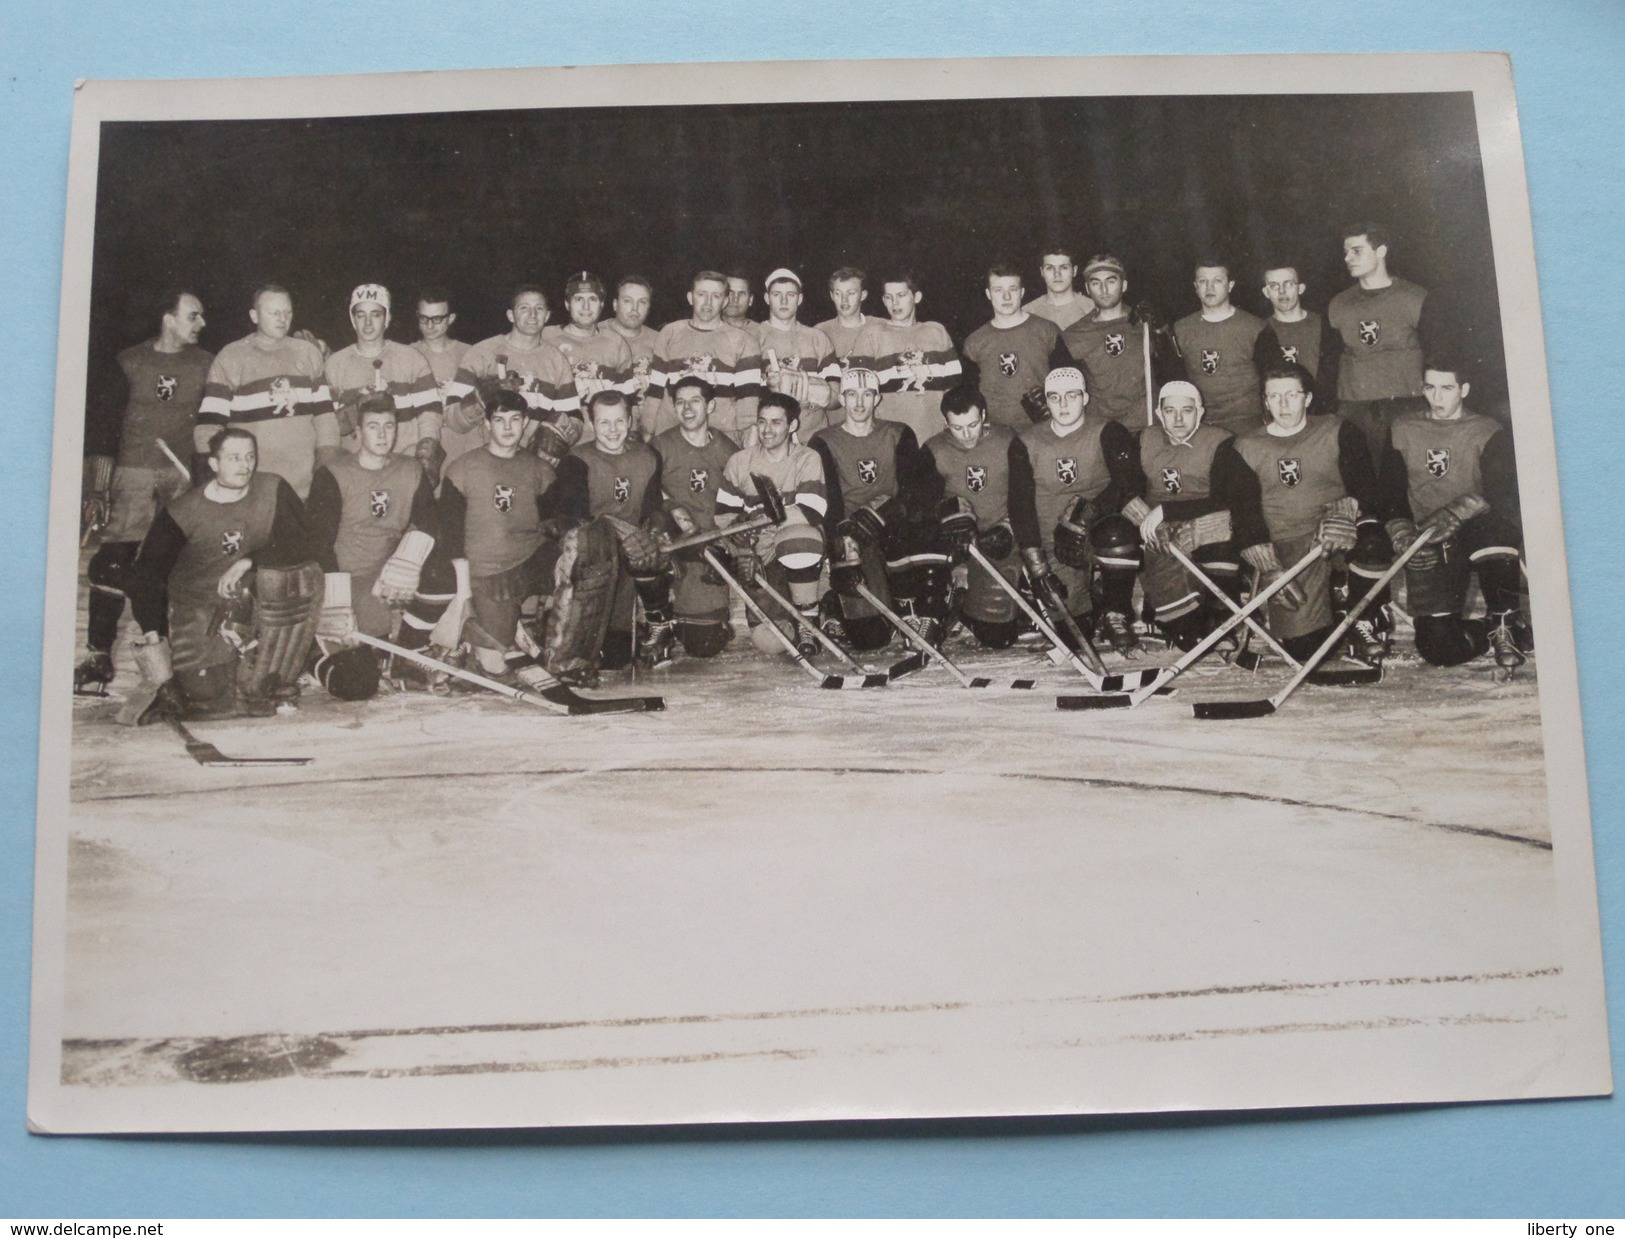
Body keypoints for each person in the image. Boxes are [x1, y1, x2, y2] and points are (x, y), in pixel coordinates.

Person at [123, 427, 323, 721]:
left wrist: (251, 561)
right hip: (200, 613)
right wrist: (155, 640)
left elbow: (307, 543)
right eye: (234, 458)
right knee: (206, 695)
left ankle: (282, 666)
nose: (244, 466)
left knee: (292, 577)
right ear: (214, 464)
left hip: (256, 608)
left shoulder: (273, 489)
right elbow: (144, 577)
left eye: (250, 457)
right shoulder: (182, 512)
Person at [76, 289, 213, 696]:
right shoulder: (130, 362)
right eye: (193, 316)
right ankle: (98, 654)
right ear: (168, 319)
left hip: (180, 476)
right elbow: (104, 425)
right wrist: (98, 488)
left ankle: (175, 655)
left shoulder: (206, 364)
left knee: (172, 565)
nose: (201, 323)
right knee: (114, 562)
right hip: (133, 474)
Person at [436, 388, 620, 687]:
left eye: (515, 420)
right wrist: (463, 589)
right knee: (494, 668)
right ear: (487, 424)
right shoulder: (461, 469)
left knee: (585, 561)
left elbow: (554, 524)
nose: (508, 428)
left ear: (525, 424)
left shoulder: (540, 470)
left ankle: (567, 656)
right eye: (499, 420)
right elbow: (450, 536)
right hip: (488, 573)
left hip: (530, 559)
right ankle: (485, 643)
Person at [1231, 362, 1393, 664]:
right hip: (1288, 545)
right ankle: (1337, 603)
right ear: (1265, 401)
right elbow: (1243, 512)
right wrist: (1270, 568)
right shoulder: (1246, 446)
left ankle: (1363, 620)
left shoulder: (1337, 429)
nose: (1283, 404)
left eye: (1292, 395)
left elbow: (1367, 488)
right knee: (1307, 650)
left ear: (1307, 398)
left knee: (1372, 538)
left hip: (1335, 534)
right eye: (1274, 397)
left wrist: (1345, 512)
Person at [1376, 361, 1527, 671]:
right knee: (1439, 650)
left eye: (1447, 388)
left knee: (1497, 531)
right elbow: (1389, 491)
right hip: (1428, 538)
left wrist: (1459, 511)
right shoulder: (1402, 428)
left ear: (1464, 390)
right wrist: (1402, 532)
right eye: (1430, 388)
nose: (1437, 397)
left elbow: (1503, 493)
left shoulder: (1487, 429)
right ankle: (1487, 631)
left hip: (1474, 530)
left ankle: (1505, 625)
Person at [305, 395, 441, 699]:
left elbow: (430, 524)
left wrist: (408, 561)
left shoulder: (411, 470)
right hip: (346, 580)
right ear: (358, 431)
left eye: (389, 426)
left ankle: (407, 651)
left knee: (443, 570)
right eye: (373, 427)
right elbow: (318, 544)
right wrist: (335, 600)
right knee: (357, 685)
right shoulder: (333, 474)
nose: (382, 435)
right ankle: (311, 658)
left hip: (386, 577)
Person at [1121, 381, 1271, 650]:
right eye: (1170, 411)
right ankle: (1174, 615)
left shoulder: (1221, 442)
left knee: (1223, 528)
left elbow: (1228, 498)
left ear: (1200, 412)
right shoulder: (1144, 439)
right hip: (1160, 531)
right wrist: (1132, 502)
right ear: (1159, 413)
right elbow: (1124, 484)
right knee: (1184, 630)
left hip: (1203, 521)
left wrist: (1169, 510)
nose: (1178, 419)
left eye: (1187, 411)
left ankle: (1220, 611)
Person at [809, 367, 939, 651]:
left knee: (925, 530)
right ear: (841, 399)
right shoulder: (823, 441)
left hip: (891, 527)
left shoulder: (898, 433)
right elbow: (828, 503)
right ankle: (834, 604)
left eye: (867, 394)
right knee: (870, 640)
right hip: (853, 534)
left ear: (877, 398)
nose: (859, 402)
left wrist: (884, 514)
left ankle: (916, 607)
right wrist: (840, 547)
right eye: (851, 394)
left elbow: (914, 493)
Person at [1015, 366, 1142, 653]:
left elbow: (1130, 481)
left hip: (1096, 532)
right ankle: (1094, 599)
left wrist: (1090, 512)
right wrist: (1036, 566)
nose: (1063, 405)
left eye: (1071, 396)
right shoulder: (1026, 441)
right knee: (1075, 640)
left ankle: (1115, 611)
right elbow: (1020, 504)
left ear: (1085, 397)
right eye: (1054, 397)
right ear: (1045, 402)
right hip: (1056, 545)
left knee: (1117, 532)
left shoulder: (1108, 431)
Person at [548, 390, 673, 670]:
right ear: (592, 423)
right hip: (595, 554)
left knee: (616, 657)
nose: (613, 430)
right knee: (601, 655)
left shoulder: (647, 456)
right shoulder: (577, 461)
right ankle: (570, 636)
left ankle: (658, 622)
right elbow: (580, 520)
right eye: (604, 423)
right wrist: (624, 532)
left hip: (631, 552)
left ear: (630, 420)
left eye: (619, 421)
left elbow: (653, 507)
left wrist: (656, 528)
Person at [918, 383, 1044, 649]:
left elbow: (1025, 495)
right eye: (957, 427)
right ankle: (951, 605)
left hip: (1000, 539)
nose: (966, 434)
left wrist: (1009, 528)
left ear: (984, 415)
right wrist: (945, 512)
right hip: (961, 542)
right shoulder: (933, 449)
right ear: (945, 422)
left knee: (998, 637)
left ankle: (1010, 600)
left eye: (973, 425)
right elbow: (922, 503)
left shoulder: (1008, 440)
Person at [196, 283, 337, 500]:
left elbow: (325, 419)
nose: (283, 318)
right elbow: (209, 427)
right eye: (274, 312)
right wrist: (218, 480)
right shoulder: (230, 357)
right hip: (250, 487)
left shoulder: (309, 354)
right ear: (254, 316)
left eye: (287, 312)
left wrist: (325, 467)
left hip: (303, 486)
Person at [714, 392, 828, 656]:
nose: (767, 429)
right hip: (761, 552)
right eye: (762, 421)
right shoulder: (740, 462)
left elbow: (812, 510)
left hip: (793, 544)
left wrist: (762, 519)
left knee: (799, 538)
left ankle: (807, 620)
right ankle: (791, 618)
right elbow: (725, 516)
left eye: (776, 422)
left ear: (792, 426)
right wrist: (741, 545)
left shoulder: (807, 458)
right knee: (770, 643)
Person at [1328, 223, 1431, 469]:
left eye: (1356, 251)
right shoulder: (1339, 304)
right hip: (1355, 407)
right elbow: (1329, 360)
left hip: (1406, 402)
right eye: (1346, 251)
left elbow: (1438, 355)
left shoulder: (1415, 298)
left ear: (1381, 251)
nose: (1347, 258)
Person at [652, 376, 740, 658]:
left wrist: (730, 539)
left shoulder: (726, 448)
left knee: (704, 645)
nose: (687, 409)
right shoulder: (660, 446)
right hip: (677, 541)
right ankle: (660, 619)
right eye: (680, 402)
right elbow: (646, 493)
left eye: (695, 401)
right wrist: (673, 510)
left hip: (712, 544)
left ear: (710, 405)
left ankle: (706, 615)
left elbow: (741, 497)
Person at [444, 285, 581, 462]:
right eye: (524, 308)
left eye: (539, 308)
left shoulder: (557, 361)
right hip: (481, 459)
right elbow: (451, 419)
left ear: (547, 316)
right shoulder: (482, 352)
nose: (532, 314)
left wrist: (560, 437)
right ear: (510, 315)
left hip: (527, 464)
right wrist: (477, 402)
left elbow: (573, 418)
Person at [324, 283, 443, 478]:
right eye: (361, 315)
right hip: (356, 472)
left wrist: (423, 455)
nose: (368, 323)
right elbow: (329, 426)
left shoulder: (411, 359)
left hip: (404, 464)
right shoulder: (335, 365)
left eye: (376, 314)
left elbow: (430, 414)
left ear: (387, 318)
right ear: (353, 320)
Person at [1059, 254, 1177, 428]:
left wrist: (1159, 330)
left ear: (1124, 285)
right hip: (1101, 431)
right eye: (1096, 283)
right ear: (1087, 288)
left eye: (1111, 281)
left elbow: (1173, 374)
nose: (1104, 289)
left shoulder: (1144, 324)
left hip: (1147, 426)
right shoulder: (1074, 333)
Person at [643, 270, 763, 441]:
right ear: (690, 297)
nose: (708, 302)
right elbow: (655, 392)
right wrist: (647, 433)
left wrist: (745, 448)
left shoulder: (744, 341)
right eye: (702, 294)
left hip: (720, 438)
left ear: (725, 301)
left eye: (716, 296)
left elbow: (748, 403)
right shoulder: (670, 332)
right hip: (671, 435)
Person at [849, 270, 963, 447]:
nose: (894, 303)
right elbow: (858, 394)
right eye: (888, 297)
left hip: (935, 438)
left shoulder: (937, 332)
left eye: (901, 295)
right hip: (889, 440)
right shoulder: (871, 335)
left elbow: (953, 390)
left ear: (916, 297)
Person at [961, 262, 1067, 430]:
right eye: (999, 290)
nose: (1007, 297)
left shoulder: (1047, 331)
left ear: (1022, 292)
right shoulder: (975, 341)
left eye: (1013, 289)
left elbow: (1068, 381)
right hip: (996, 433)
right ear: (988, 294)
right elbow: (969, 397)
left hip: (1043, 430)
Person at [542, 271, 639, 448]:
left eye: (593, 299)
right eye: (579, 299)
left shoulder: (615, 343)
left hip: (603, 444)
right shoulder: (546, 338)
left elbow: (627, 403)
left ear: (602, 304)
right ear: (567, 304)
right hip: (554, 443)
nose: (586, 307)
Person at [1171, 259, 1267, 436]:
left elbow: (1271, 379)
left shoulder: (1255, 327)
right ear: (1195, 286)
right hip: (1201, 424)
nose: (1209, 287)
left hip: (1246, 422)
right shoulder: (1180, 328)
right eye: (1203, 281)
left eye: (1217, 280)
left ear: (1230, 285)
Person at [751, 268, 841, 438]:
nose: (784, 300)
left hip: (812, 436)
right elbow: (745, 399)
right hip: (769, 439)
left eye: (790, 295)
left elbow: (836, 398)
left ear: (799, 299)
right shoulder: (751, 338)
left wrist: (818, 392)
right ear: (766, 298)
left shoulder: (818, 338)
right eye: (777, 294)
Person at [1251, 264, 1342, 414]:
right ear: (1266, 292)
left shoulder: (1326, 325)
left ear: (1300, 288)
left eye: (1288, 284)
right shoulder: (1259, 331)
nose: (1282, 291)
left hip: (1322, 415)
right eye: (1274, 286)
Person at [410, 288, 479, 465]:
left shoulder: (471, 354)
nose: (430, 326)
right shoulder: (406, 355)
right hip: (420, 451)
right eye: (424, 318)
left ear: (451, 318)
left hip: (463, 450)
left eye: (437, 319)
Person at [606, 275, 661, 420]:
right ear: (615, 304)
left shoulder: (660, 341)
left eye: (642, 302)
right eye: (627, 301)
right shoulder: (596, 335)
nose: (635, 308)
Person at [1023, 245, 1093, 331]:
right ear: (1042, 272)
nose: (1057, 274)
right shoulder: (1028, 312)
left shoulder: (1092, 309)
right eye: (1049, 268)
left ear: (1074, 271)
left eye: (1064, 267)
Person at [814, 266, 873, 363]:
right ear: (832, 296)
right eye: (838, 293)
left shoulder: (881, 326)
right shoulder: (820, 332)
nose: (844, 300)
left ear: (863, 295)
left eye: (851, 293)